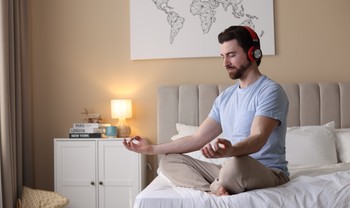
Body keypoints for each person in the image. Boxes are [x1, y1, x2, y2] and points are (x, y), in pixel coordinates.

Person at [123, 25, 290, 196]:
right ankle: (216, 189)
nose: (225, 63)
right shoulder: (225, 97)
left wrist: (230, 150)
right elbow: (198, 138)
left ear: (253, 53)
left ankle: (219, 184)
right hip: (229, 170)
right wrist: (150, 149)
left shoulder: (270, 91)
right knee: (169, 161)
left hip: (266, 171)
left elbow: (258, 138)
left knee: (235, 166)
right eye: (223, 56)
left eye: (231, 55)